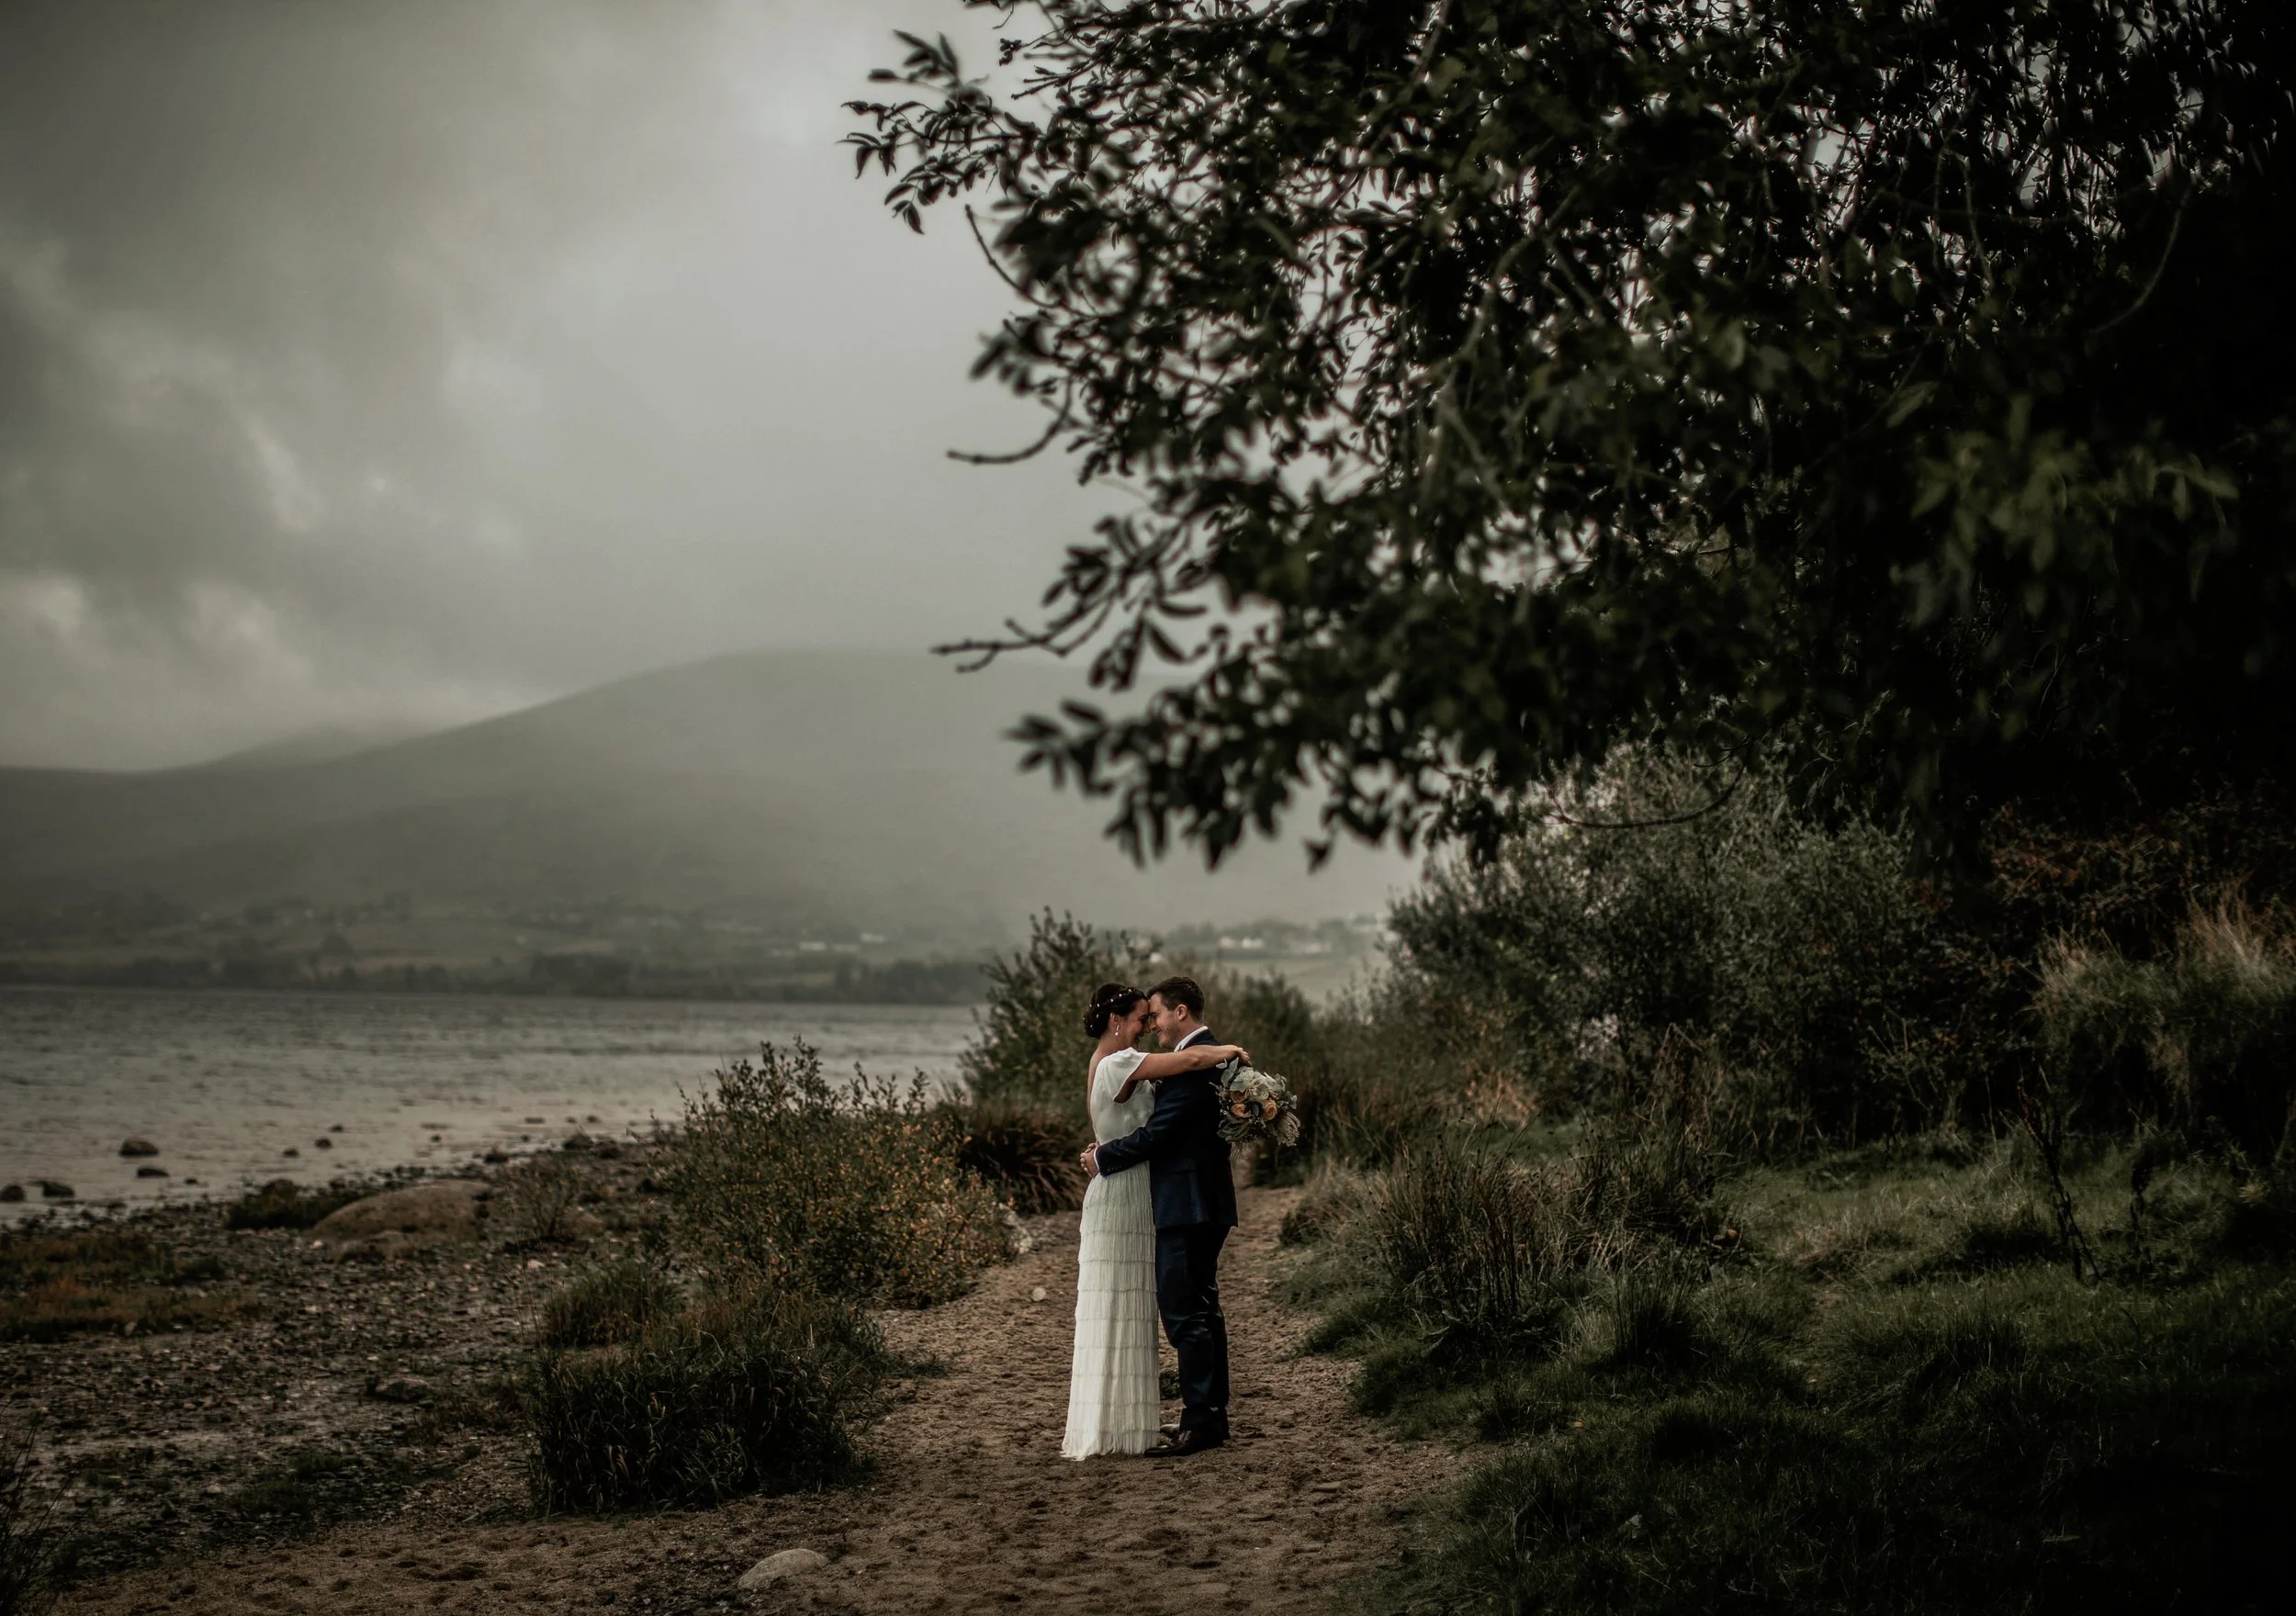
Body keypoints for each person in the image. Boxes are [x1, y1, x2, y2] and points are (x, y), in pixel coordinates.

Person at [1061, 982, 1249, 1459]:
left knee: (1187, 1313)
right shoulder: (1178, 1059)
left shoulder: (1197, 1057)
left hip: (1188, 1202)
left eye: (1155, 1015)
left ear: (1179, 1012)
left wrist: (1104, 1156)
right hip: (1182, 1199)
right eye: (1144, 1018)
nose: (1151, 1026)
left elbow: (1159, 1134)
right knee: (1196, 1310)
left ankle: (1203, 1421)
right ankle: (1204, 1417)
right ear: (1116, 1021)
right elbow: (1155, 1125)